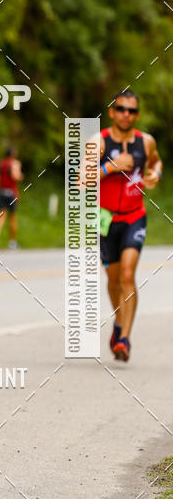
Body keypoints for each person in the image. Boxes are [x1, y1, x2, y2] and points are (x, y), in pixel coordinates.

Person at [99, 89, 162, 361]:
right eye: (121, 109)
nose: (127, 114)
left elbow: (157, 161)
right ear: (112, 112)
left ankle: (124, 338)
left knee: (127, 274)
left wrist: (155, 173)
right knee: (113, 280)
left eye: (132, 110)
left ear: (137, 114)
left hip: (135, 215)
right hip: (105, 219)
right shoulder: (98, 142)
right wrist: (110, 167)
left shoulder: (145, 142)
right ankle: (117, 323)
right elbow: (80, 179)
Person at [0, 147, 23, 248]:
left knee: (1, 214)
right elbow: (15, 176)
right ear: (13, 154)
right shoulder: (15, 163)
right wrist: (20, 175)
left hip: (1, 192)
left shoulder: (0, 164)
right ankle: (12, 242)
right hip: (11, 192)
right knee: (12, 217)